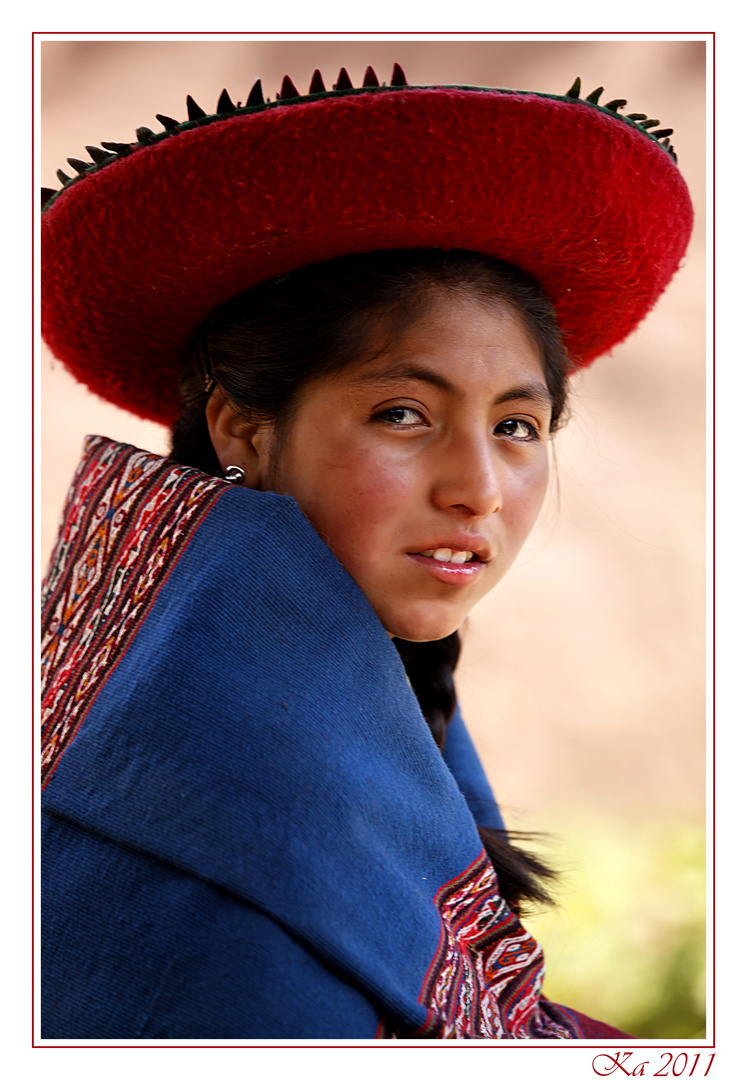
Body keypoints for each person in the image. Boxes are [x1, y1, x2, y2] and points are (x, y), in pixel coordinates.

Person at [40, 65, 693, 1040]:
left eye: (518, 425)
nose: (477, 485)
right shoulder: (184, 844)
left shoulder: (300, 727)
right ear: (243, 430)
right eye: (403, 413)